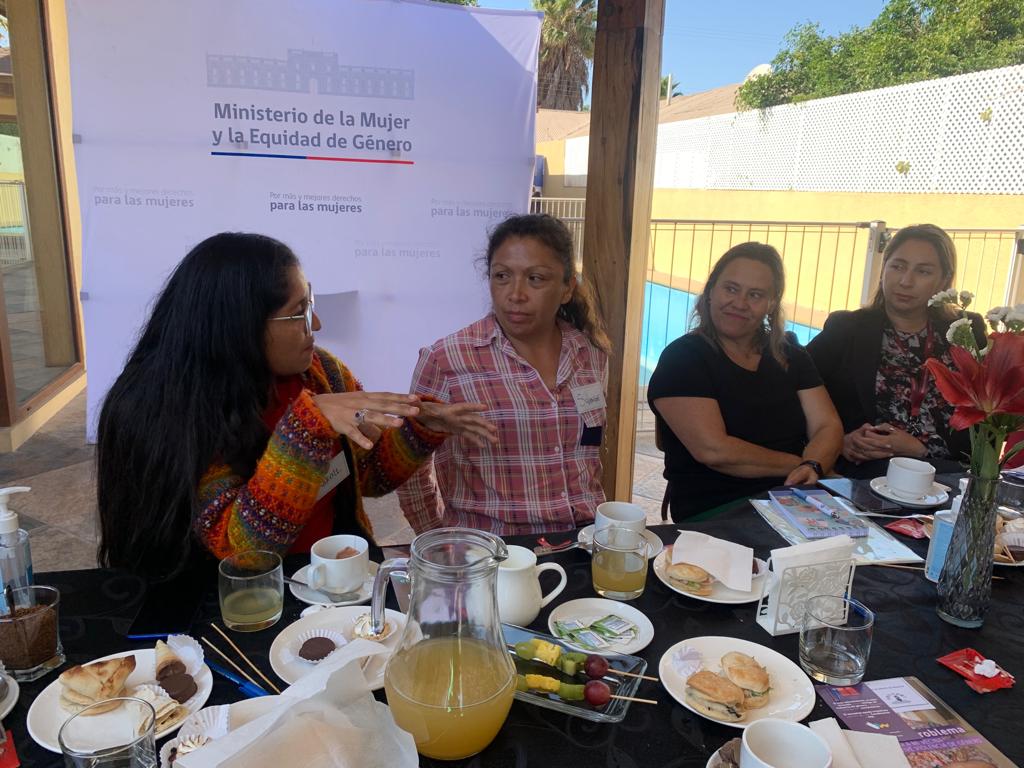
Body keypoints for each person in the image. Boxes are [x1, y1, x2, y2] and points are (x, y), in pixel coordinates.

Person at [97, 232, 496, 579]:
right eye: (298, 312)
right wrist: (306, 430)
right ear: (240, 324)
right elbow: (243, 553)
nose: (317, 324)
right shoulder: (174, 415)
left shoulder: (320, 374)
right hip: (232, 609)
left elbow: (368, 476)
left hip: (335, 585)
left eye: (311, 302)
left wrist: (419, 429)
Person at [397, 214, 610, 535]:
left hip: (583, 544)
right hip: (491, 555)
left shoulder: (589, 354)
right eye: (502, 276)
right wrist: (437, 539)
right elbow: (411, 464)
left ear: (568, 288)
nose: (516, 294)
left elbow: (588, 454)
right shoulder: (447, 360)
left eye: (536, 279)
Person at [647, 242, 842, 521]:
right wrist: (801, 464)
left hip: (798, 501)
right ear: (711, 291)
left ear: (771, 304)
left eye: (755, 295)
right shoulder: (683, 359)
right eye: (731, 288)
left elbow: (827, 424)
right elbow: (715, 450)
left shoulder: (790, 354)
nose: (739, 303)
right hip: (720, 510)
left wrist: (814, 463)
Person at [807, 224, 985, 478]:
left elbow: (985, 427)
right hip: (863, 475)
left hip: (943, 478)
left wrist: (921, 449)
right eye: (898, 266)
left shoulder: (965, 331)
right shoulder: (847, 329)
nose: (905, 281)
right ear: (884, 268)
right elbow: (797, 393)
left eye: (923, 271)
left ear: (944, 280)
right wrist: (836, 442)